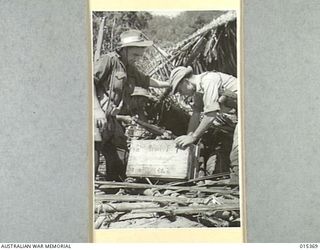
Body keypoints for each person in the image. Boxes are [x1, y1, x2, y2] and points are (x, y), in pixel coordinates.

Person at [94, 29, 170, 181]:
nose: (138, 59)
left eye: (140, 56)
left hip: (111, 118)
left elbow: (146, 81)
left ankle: (114, 189)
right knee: (92, 150)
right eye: (135, 55)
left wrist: (168, 84)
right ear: (124, 49)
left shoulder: (128, 67)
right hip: (96, 116)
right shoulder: (108, 60)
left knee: (120, 149)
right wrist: (95, 110)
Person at [169, 66, 239, 184]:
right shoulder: (198, 90)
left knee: (237, 153)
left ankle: (239, 187)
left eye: (180, 90)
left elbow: (211, 114)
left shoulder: (209, 80)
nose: (181, 94)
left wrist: (193, 137)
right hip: (241, 110)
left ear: (186, 82)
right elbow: (196, 114)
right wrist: (189, 137)